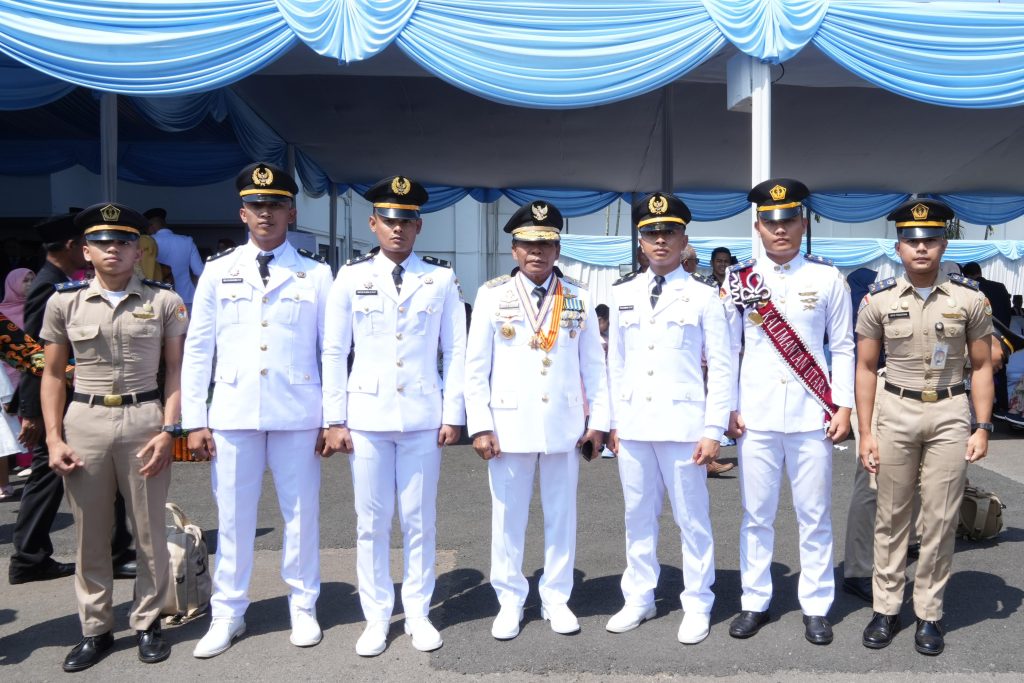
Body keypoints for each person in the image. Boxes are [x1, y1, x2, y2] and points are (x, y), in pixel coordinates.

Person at [183, 162, 333, 658]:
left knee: (301, 515)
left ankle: (303, 605)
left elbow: (331, 349)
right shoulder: (217, 270)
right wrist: (195, 420)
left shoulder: (316, 272)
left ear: (291, 210)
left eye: (275, 205)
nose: (266, 214)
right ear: (242, 212)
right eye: (257, 205)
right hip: (232, 411)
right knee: (233, 517)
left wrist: (333, 418)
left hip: (297, 412)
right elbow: (199, 348)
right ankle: (228, 612)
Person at [321, 176, 466, 657]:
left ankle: (419, 612)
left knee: (419, 521)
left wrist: (453, 413)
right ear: (373, 223)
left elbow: (457, 351)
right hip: (366, 416)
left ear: (419, 226)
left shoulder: (440, 278)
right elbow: (334, 350)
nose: (397, 228)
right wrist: (334, 419)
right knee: (371, 521)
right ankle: (377, 615)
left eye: (406, 220)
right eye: (389, 219)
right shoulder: (351, 276)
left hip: (424, 416)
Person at [40, 203, 187, 671]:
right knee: (90, 535)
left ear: (138, 249)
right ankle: (96, 629)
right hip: (84, 421)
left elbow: (177, 370)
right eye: (103, 242)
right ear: (86, 250)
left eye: (124, 241)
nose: (114, 250)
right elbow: (51, 376)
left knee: (148, 530)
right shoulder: (64, 301)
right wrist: (52, 439)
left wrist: (169, 430)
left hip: (144, 419)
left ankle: (147, 622)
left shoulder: (163, 300)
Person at [465, 201, 609, 640]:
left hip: (564, 425)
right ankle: (509, 600)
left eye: (546, 244)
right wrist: (480, 425)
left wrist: (597, 421)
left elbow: (594, 367)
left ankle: (556, 599)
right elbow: (475, 368)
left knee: (561, 515)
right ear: (513, 250)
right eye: (529, 244)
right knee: (507, 518)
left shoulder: (578, 295)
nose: (538, 253)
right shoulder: (492, 295)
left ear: (557, 248)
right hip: (509, 426)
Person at [856, 199, 994, 656]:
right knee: (891, 515)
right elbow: (865, 366)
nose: (921, 248)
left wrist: (983, 426)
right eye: (912, 240)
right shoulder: (877, 299)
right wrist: (868, 432)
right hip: (895, 409)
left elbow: (981, 367)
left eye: (930, 239)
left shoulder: (969, 299)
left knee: (940, 518)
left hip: (951, 413)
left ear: (943, 243)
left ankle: (929, 614)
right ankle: (886, 608)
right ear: (898, 246)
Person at [726, 179, 854, 645]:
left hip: (810, 415)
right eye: (770, 221)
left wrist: (844, 405)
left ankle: (816, 606)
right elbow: (727, 350)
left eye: (788, 220)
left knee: (814, 515)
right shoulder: (738, 282)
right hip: (755, 417)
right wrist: (728, 408)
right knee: (755, 515)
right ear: (758, 226)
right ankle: (754, 600)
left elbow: (842, 347)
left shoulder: (827, 279)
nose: (780, 229)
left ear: (802, 222)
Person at [604, 192, 732, 644]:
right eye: (652, 232)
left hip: (684, 426)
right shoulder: (621, 294)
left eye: (669, 232)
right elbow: (614, 364)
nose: (660, 240)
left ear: (683, 239)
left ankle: (697, 601)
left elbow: (721, 366)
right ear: (640, 241)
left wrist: (714, 429)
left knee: (691, 518)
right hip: (636, 424)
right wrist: (614, 423)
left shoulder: (704, 297)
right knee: (637, 516)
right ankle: (639, 595)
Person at [9, 214, 136, 585]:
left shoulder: (57, 283)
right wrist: (33, 414)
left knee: (63, 477)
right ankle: (30, 557)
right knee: (50, 478)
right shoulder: (49, 289)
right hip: (62, 401)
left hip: (72, 396)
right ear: (71, 246)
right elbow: (34, 357)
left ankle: (36, 555)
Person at [144, 207, 204, 311]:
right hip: (186, 298)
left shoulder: (148, 242)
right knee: (186, 327)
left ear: (151, 226)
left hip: (158, 298)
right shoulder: (187, 241)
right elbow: (199, 271)